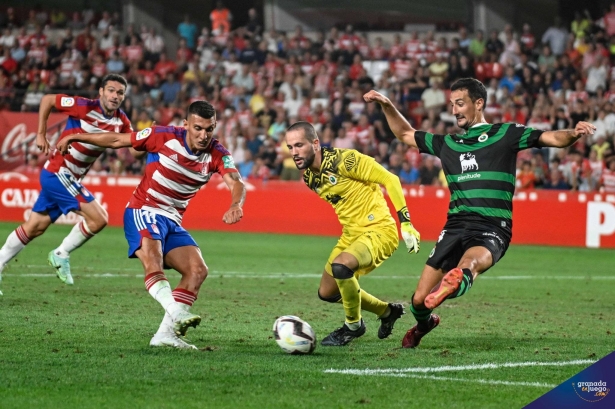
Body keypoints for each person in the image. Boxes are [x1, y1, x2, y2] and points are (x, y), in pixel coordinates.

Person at [364, 78, 596, 348]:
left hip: (492, 226)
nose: (454, 111)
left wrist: (574, 133)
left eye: (460, 104)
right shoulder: (447, 143)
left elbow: (552, 137)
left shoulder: (505, 134)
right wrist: (387, 105)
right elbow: (405, 134)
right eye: (452, 105)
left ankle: (458, 278)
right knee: (418, 300)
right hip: (455, 227)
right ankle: (424, 323)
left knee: (468, 266)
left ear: (479, 103)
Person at [56, 101, 246, 349]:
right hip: (144, 209)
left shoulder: (218, 153)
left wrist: (236, 204)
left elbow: (235, 182)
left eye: (209, 129)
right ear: (186, 124)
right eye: (198, 128)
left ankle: (165, 335)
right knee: (153, 258)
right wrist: (76, 136)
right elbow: (117, 140)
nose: (203, 135)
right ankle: (176, 314)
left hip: (172, 220)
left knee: (197, 270)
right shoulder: (162, 136)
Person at [284, 121, 421, 346]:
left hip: (379, 230)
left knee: (342, 267)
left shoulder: (345, 160)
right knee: (327, 292)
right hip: (351, 235)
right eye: (290, 147)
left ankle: (353, 326)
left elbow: (390, 179)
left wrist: (405, 222)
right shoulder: (310, 178)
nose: (294, 152)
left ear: (315, 143)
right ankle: (387, 312)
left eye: (299, 145)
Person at [0, 74, 134, 294]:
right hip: (59, 173)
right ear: (101, 92)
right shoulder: (83, 106)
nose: (115, 96)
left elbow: (134, 151)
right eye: (110, 90)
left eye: (120, 92)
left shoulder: (122, 121)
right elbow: (48, 100)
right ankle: (61, 253)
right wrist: (41, 134)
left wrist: (148, 137)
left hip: (65, 177)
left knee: (34, 227)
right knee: (99, 218)